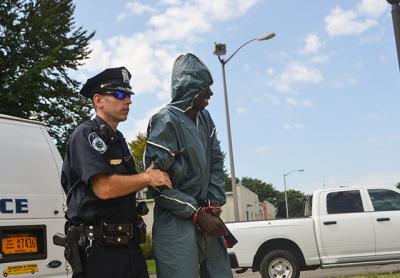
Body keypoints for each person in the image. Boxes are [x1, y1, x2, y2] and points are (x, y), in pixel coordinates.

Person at [61, 66, 172, 278]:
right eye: (119, 94)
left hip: (128, 247)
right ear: (98, 100)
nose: (128, 101)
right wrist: (147, 177)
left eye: (129, 95)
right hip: (99, 252)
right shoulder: (85, 135)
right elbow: (103, 188)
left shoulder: (117, 139)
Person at [144, 53, 233, 278]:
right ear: (190, 87)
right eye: (205, 87)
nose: (210, 93)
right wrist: (195, 212)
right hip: (176, 224)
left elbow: (216, 162)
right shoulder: (166, 121)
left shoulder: (206, 119)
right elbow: (156, 182)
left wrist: (211, 205)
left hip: (208, 219)